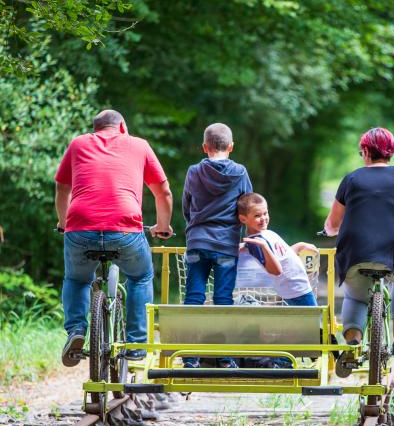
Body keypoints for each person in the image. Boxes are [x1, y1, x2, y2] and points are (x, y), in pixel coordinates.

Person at [55, 109, 173, 366]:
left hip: (80, 228)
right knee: (141, 276)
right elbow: (163, 191)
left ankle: (76, 330)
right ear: (122, 127)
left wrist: (64, 224)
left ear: (96, 127)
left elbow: (63, 187)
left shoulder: (78, 144)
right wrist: (163, 226)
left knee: (76, 279)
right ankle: (136, 344)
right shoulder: (139, 145)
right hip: (125, 230)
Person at [323, 127, 394, 373]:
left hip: (356, 250)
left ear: (365, 151)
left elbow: (332, 225)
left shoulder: (351, 179)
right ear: (391, 152)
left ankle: (352, 344)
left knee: (355, 296)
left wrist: (328, 231)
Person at [182, 123, 252, 368]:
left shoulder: (193, 172)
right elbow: (248, 207)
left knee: (193, 298)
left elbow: (186, 206)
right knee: (223, 299)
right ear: (231, 147)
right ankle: (224, 357)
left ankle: (190, 358)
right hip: (226, 244)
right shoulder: (240, 172)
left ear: (205, 147)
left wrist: (195, 229)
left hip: (197, 242)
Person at [237, 193, 318, 306]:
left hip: (300, 287)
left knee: (308, 322)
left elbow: (282, 255)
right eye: (257, 216)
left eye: (265, 213)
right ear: (243, 219)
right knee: (312, 322)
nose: (263, 219)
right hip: (296, 290)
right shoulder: (256, 244)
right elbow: (276, 270)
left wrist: (299, 246)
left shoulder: (266, 233)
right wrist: (264, 247)